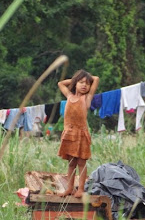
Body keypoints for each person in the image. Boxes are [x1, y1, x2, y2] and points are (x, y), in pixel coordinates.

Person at [57, 69, 99, 198]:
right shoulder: (69, 96)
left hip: (81, 134)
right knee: (71, 164)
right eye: (81, 82)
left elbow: (96, 78)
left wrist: (84, 77)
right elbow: (60, 83)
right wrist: (75, 79)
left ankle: (80, 189)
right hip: (69, 134)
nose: (84, 85)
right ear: (75, 83)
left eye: (87, 83)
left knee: (81, 163)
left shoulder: (86, 98)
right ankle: (69, 188)